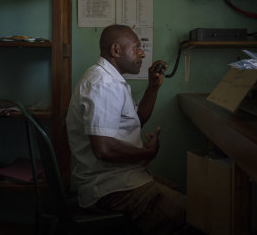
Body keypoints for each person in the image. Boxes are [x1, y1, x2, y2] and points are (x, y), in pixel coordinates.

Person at [66, 24, 187, 234]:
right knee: (191, 215)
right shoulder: (103, 85)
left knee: (179, 195)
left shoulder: (111, 80)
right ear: (116, 51)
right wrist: (146, 153)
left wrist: (153, 87)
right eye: (137, 48)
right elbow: (103, 149)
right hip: (108, 187)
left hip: (120, 176)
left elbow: (136, 120)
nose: (142, 53)